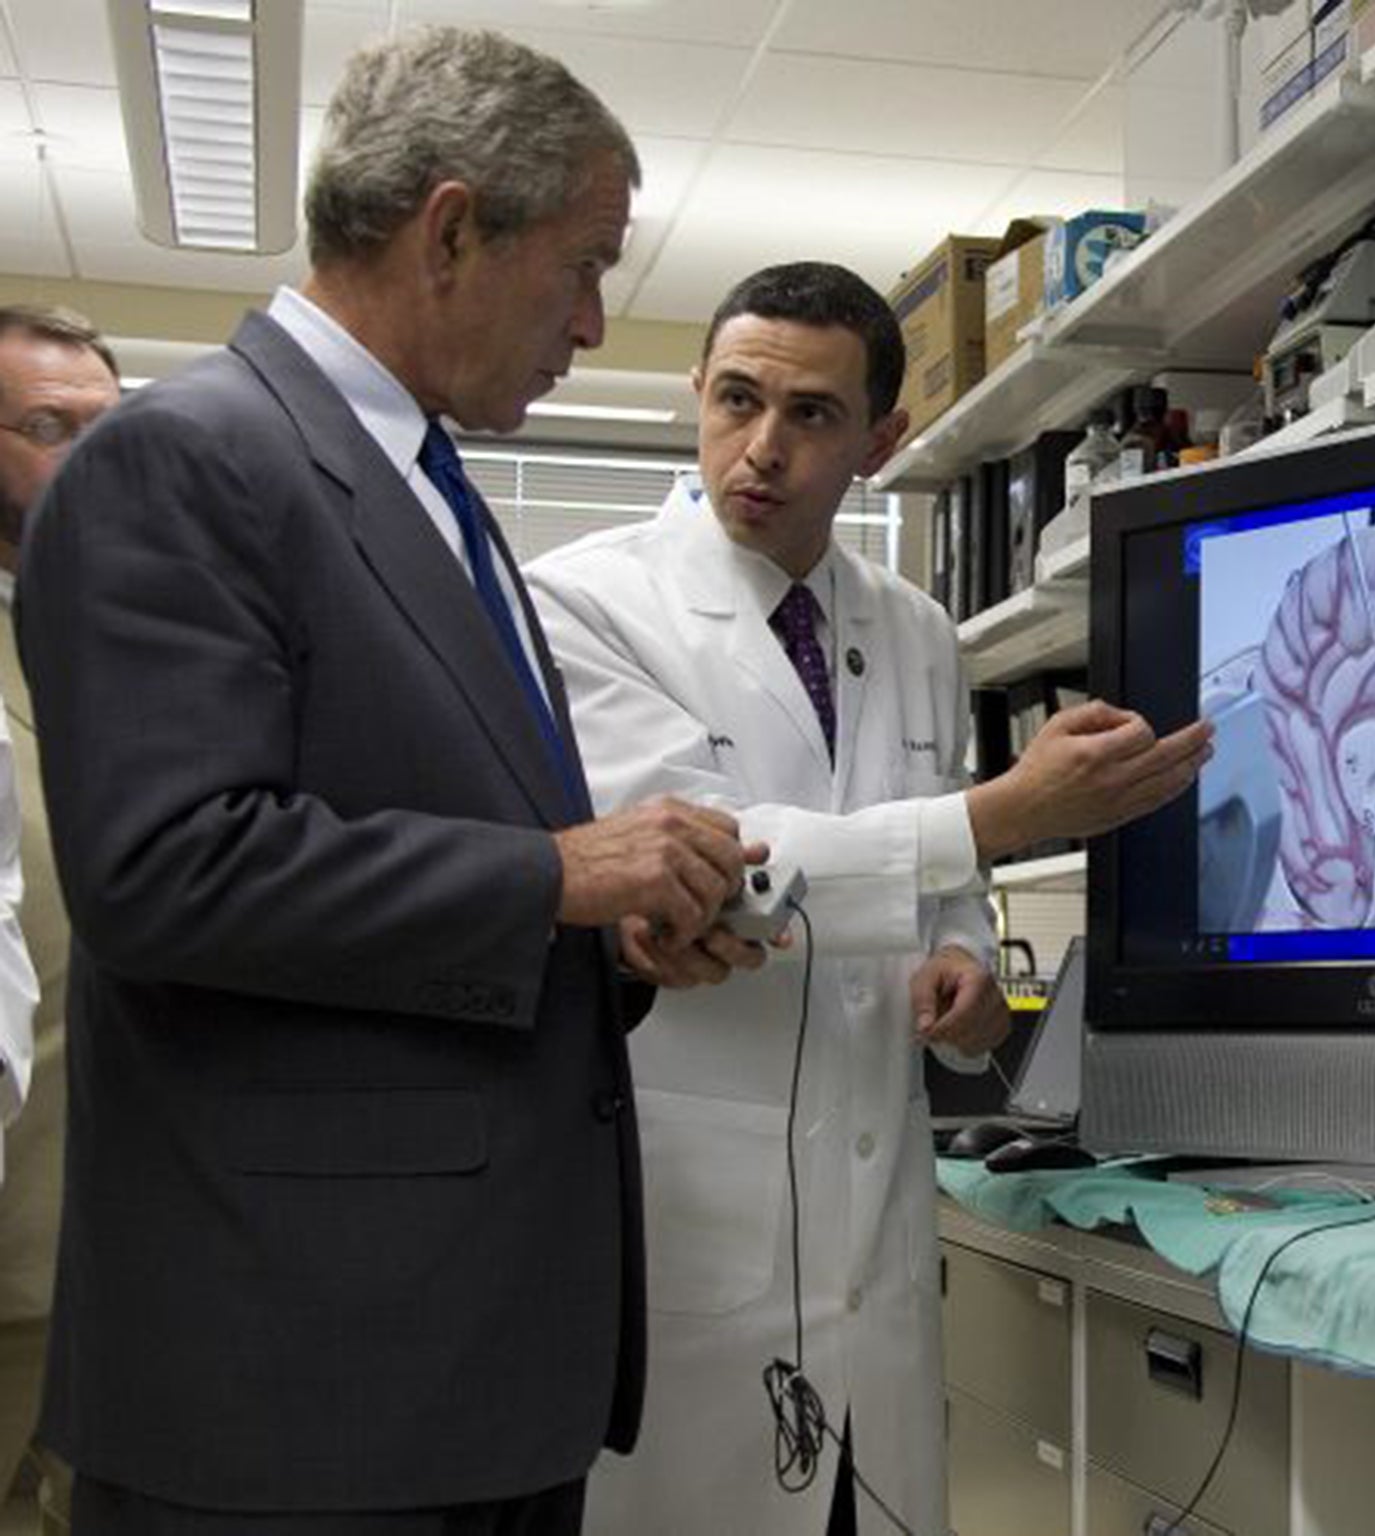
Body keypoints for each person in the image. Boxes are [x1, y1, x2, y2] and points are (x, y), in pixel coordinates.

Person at [17, 28, 762, 1534]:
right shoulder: (188, 459)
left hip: (465, 1373)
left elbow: (424, 851)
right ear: (450, 228)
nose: (595, 320)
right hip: (292, 1395)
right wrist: (559, 874)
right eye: (585, 265)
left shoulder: (433, 492)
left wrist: (604, 930)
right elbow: (168, 869)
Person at [527, 261, 1212, 1536]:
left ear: (881, 442)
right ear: (697, 392)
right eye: (735, 401)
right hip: (695, 1233)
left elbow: (936, 871)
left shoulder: (913, 630)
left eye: (811, 417)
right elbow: (706, 872)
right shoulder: (586, 603)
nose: (761, 448)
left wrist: (958, 963)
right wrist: (1005, 813)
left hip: (875, 1233)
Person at [0, 301, 119, 1536]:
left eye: (108, 431)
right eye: (49, 429)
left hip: (122, 1249)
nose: (91, 465)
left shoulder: (140, 643)